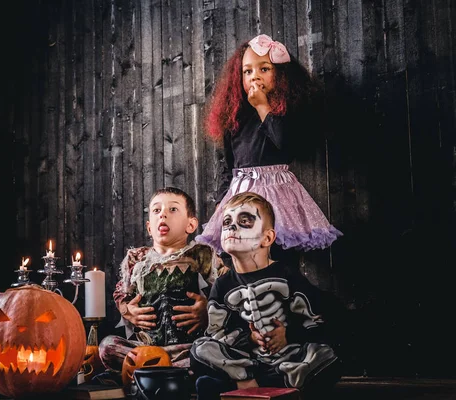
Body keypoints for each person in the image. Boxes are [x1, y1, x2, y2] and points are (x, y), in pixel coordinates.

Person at [195, 34, 342, 254]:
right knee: (241, 246)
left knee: (278, 249)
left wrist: (263, 108)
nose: (255, 77)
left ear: (280, 75)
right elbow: (228, 164)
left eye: (264, 69)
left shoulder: (285, 111)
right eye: (248, 71)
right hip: (241, 191)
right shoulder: (235, 117)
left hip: (277, 192)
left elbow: (288, 147)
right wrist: (221, 198)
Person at [190, 192, 344, 400]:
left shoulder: (287, 275)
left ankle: (268, 384)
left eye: (245, 221)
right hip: (247, 363)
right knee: (200, 348)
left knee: (328, 357)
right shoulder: (223, 284)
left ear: (268, 238)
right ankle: (249, 382)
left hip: (287, 361)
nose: (232, 227)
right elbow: (216, 333)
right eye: (227, 222)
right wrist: (248, 338)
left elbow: (315, 322)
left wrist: (288, 334)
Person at [98, 187, 226, 376]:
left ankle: (147, 374)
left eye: (173, 210)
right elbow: (121, 292)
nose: (163, 215)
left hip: (189, 346)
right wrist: (128, 310)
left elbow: (226, 288)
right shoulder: (138, 259)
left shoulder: (201, 254)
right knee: (107, 346)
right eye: (157, 211)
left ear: (190, 225)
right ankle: (166, 372)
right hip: (148, 347)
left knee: (211, 352)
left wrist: (207, 310)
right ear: (150, 227)